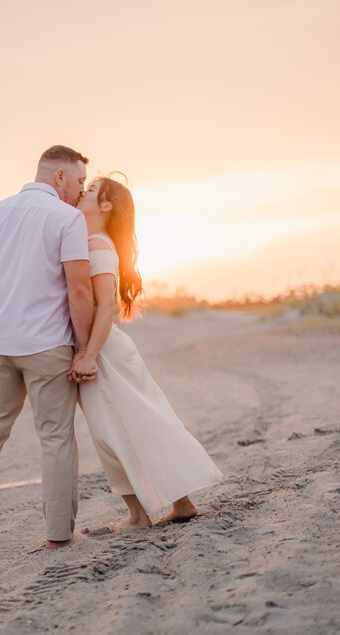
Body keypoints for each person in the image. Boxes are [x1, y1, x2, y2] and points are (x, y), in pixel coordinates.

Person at [0, 145, 96, 554]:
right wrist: (83, 348)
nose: (79, 190)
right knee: (54, 436)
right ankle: (59, 533)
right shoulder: (67, 218)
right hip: (46, 343)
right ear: (59, 177)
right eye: (80, 181)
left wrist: (3, 306)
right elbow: (80, 287)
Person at [71, 174, 222, 530]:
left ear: (106, 205)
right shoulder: (93, 241)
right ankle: (177, 504)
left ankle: (140, 515)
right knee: (131, 425)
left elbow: (106, 305)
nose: (83, 193)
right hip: (105, 349)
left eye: (91, 190)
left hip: (104, 351)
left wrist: (90, 354)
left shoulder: (97, 245)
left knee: (118, 430)